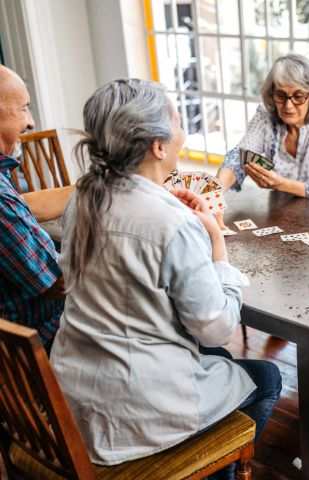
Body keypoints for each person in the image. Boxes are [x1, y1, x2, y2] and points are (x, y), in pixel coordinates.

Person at [50, 79, 281, 476]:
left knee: (220, 363)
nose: (182, 133)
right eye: (178, 123)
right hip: (136, 410)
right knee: (266, 376)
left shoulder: (84, 197)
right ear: (158, 146)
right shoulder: (171, 224)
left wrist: (166, 208)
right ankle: (210, 469)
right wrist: (215, 243)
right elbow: (215, 327)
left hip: (76, 398)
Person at [0, 65, 72, 350]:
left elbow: (23, 207)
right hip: (40, 342)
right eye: (24, 108)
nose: (31, 122)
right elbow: (57, 283)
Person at [217, 53, 309, 199]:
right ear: (272, 94)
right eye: (280, 95)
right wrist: (214, 193)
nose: (288, 106)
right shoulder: (265, 114)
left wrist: (281, 184)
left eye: (298, 96)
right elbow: (240, 156)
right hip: (279, 208)